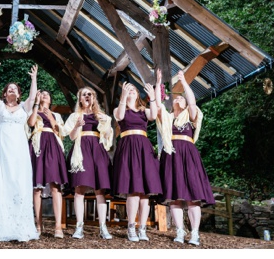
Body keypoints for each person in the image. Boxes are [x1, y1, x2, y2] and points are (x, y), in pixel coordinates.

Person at [0, 57, 39, 243]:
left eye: (14, 89)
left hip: (19, 152)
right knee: (1, 183)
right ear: (5, 94)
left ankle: (21, 228)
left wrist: (34, 78)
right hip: (1, 152)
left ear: (19, 95)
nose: (11, 90)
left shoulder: (24, 108)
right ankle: (0, 227)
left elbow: (33, 96)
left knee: (19, 183)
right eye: (9, 89)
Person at [159, 72, 214, 246]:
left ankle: (195, 233)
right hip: (171, 154)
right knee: (174, 196)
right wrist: (159, 85)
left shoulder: (190, 115)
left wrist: (183, 81)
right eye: (176, 99)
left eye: (181, 99)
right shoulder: (168, 118)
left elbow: (192, 101)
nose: (178, 99)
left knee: (193, 196)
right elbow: (157, 105)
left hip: (188, 154)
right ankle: (180, 231)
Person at [112, 80, 164, 243]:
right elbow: (119, 116)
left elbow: (154, 116)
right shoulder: (120, 109)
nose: (132, 91)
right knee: (133, 190)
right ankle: (131, 227)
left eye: (134, 90)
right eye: (129, 90)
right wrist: (123, 96)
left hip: (143, 148)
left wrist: (153, 96)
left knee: (144, 192)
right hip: (128, 147)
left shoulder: (144, 110)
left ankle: (142, 228)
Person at [65, 87, 114, 240]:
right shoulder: (75, 115)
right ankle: (79, 227)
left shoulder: (101, 116)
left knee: (100, 190)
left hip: (97, 151)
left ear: (93, 98)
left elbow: (107, 136)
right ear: (80, 99)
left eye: (90, 94)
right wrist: (78, 125)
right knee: (79, 189)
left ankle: (102, 227)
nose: (87, 96)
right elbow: (71, 137)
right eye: (84, 94)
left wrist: (103, 123)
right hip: (81, 151)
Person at [28, 89, 69, 238]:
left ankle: (58, 226)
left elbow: (59, 131)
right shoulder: (34, 111)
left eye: (47, 94)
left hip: (53, 146)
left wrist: (50, 116)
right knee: (36, 187)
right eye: (42, 93)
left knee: (55, 185)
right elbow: (31, 123)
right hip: (37, 146)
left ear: (51, 99)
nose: (44, 95)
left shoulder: (56, 115)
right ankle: (38, 224)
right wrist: (37, 105)